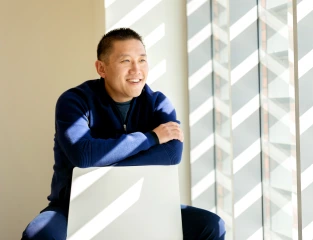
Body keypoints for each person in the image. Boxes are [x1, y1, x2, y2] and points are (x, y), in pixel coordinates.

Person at [21, 28, 226, 240]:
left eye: (142, 60)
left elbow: (171, 155)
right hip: (75, 205)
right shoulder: (75, 102)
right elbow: (83, 155)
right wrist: (152, 138)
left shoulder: (157, 103)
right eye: (126, 61)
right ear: (101, 68)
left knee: (211, 225)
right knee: (37, 234)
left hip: (143, 202)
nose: (136, 69)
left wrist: (99, 163)